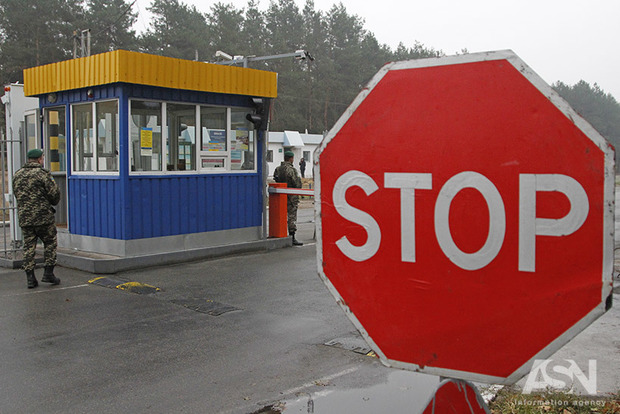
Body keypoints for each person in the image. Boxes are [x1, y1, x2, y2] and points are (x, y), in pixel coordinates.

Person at [13, 148, 61, 288]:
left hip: (25, 218)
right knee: (50, 243)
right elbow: (54, 196)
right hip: (43, 217)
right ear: (40, 159)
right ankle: (48, 273)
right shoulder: (43, 174)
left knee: (28, 246)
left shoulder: (18, 174)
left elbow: (17, 194)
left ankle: (30, 278)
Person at [274, 151, 303, 246]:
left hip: (281, 195)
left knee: (281, 214)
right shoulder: (291, 170)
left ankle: (280, 233)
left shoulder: (278, 169)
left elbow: (276, 179)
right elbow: (297, 183)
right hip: (291, 196)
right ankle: (292, 236)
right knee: (291, 216)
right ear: (291, 158)